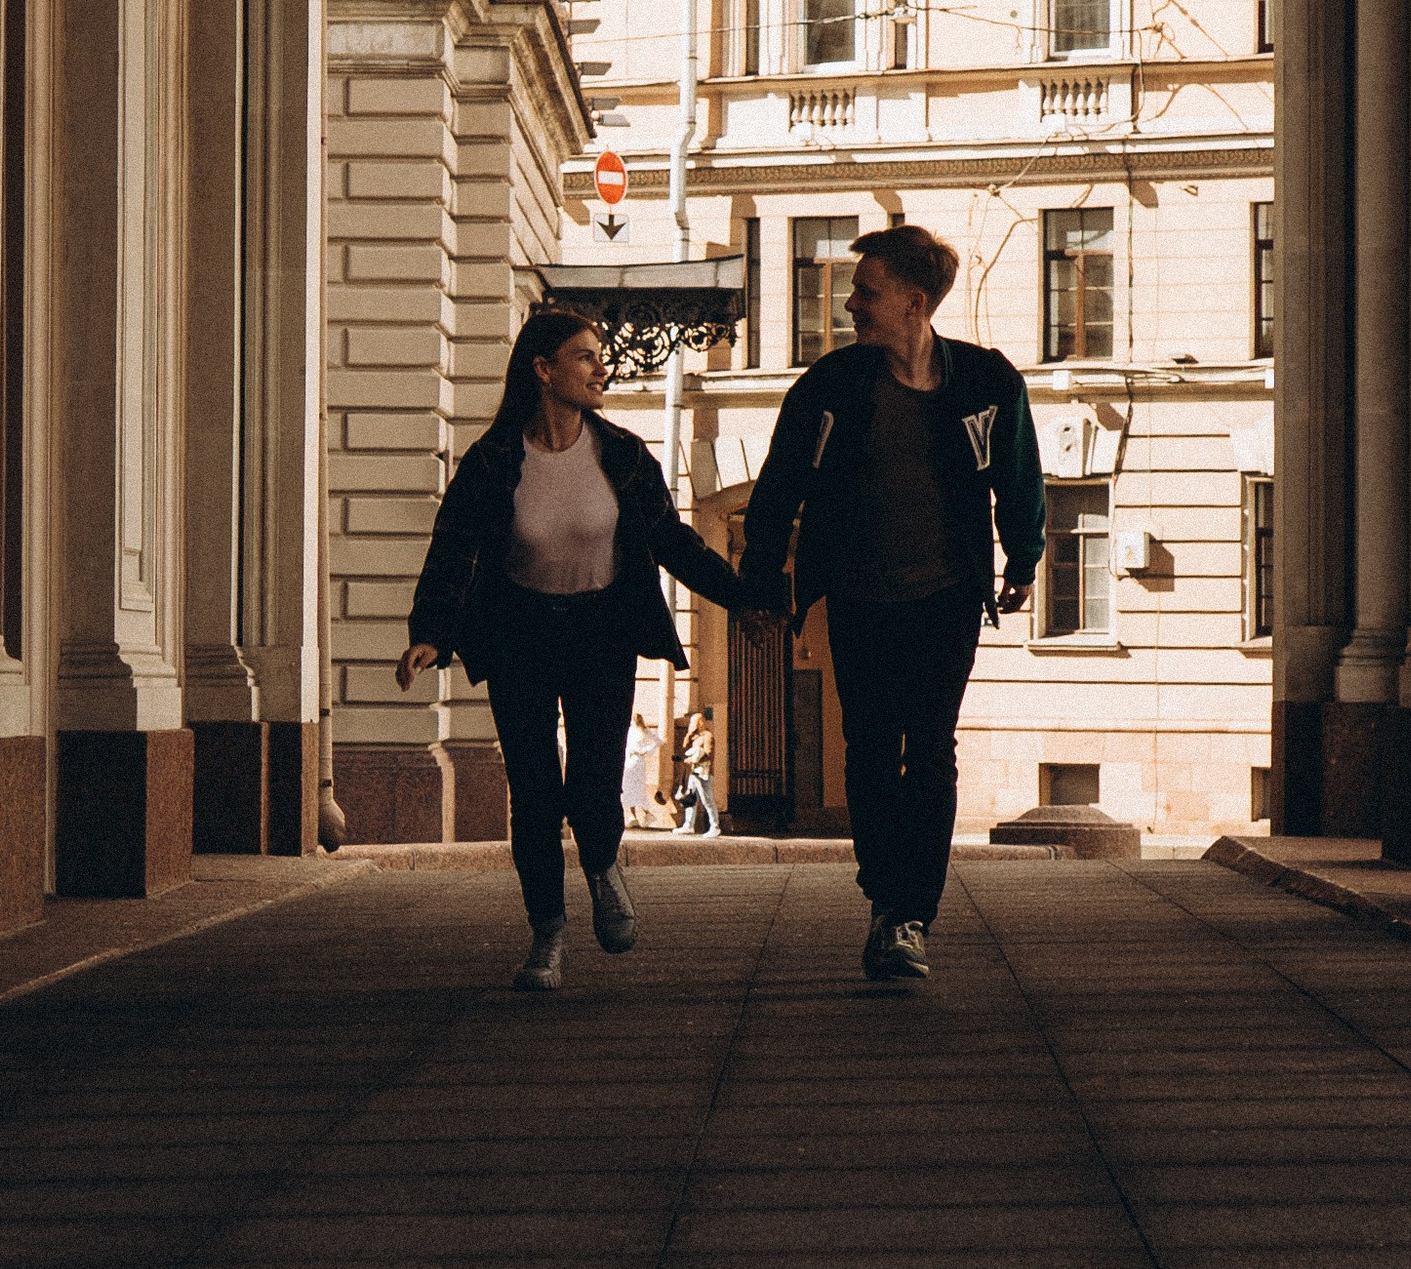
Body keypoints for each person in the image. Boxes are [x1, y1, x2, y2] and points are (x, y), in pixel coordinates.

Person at [397, 305, 756, 989]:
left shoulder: (619, 453)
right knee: (532, 791)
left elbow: (671, 541)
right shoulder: (495, 459)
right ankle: (547, 937)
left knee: (593, 783)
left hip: (601, 631)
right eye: (586, 357)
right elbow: (454, 548)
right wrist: (429, 633)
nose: (602, 367)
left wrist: (741, 600)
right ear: (543, 369)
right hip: (518, 634)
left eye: (599, 355)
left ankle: (600, 864)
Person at [739, 223, 1044, 983]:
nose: (850, 305)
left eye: (865, 292)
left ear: (913, 302)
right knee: (871, 755)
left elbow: (1020, 475)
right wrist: (763, 584)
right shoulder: (829, 390)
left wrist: (1024, 556)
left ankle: (911, 916)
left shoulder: (987, 383)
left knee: (931, 751)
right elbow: (778, 492)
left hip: (946, 599)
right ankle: (885, 899)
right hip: (860, 598)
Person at [676, 705, 719, 836]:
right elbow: (684, 747)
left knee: (707, 800)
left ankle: (714, 826)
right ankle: (688, 825)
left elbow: (708, 752)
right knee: (690, 798)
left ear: (700, 722)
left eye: (694, 722)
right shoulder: (696, 737)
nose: (692, 724)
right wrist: (689, 734)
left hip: (703, 772)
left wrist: (694, 759)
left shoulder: (708, 736)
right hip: (694, 773)